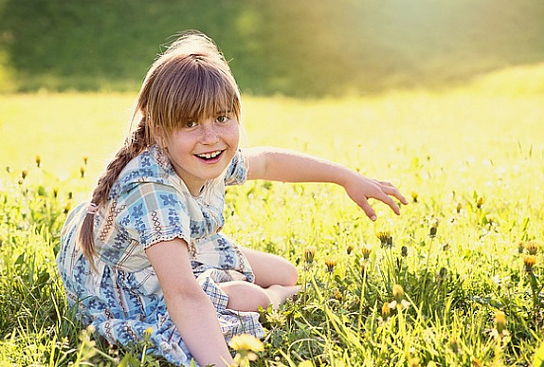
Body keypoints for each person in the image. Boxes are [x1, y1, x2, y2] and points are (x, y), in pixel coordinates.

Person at [56, 31, 408, 367]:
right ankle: (278, 300)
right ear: (159, 131)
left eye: (222, 118)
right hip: (124, 282)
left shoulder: (204, 155)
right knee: (251, 298)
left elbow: (268, 161)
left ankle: (280, 290)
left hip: (166, 249)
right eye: (190, 123)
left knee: (285, 272)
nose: (210, 137)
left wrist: (345, 177)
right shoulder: (152, 193)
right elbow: (182, 294)